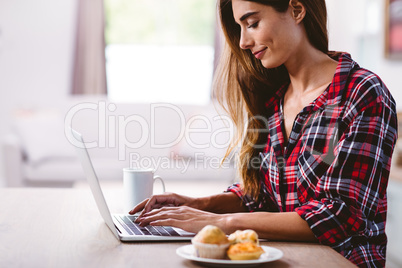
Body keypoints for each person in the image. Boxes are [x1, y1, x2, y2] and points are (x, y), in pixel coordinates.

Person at [129, 0, 398, 267]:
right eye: (240, 28)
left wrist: (221, 222)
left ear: (296, 10)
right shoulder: (274, 100)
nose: (244, 42)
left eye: (253, 23)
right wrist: (200, 204)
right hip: (280, 258)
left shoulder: (362, 93)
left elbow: (339, 215)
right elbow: (262, 196)